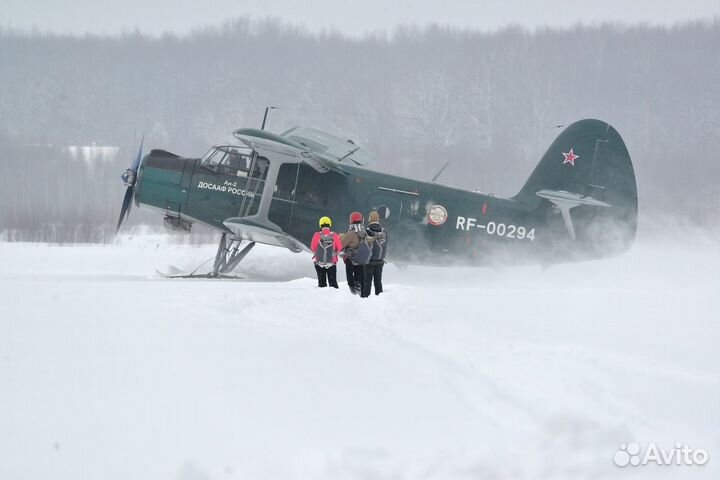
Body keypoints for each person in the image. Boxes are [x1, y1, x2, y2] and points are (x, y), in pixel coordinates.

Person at [361, 210, 388, 297]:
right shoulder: (383, 231)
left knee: (367, 281)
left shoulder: (367, 231)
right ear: (378, 219)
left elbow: (363, 245)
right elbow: (386, 245)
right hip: (380, 260)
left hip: (369, 260)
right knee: (378, 281)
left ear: (370, 218)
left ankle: (365, 297)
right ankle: (379, 297)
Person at [310, 216, 342, 288]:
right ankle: (334, 297)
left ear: (320, 225)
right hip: (331, 262)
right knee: (333, 284)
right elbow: (339, 248)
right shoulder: (334, 235)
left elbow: (313, 248)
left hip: (319, 262)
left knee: (322, 284)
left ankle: (322, 297)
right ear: (329, 224)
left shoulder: (317, 235)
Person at [340, 211, 366, 294]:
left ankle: (352, 288)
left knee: (350, 273)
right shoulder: (365, 232)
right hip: (361, 258)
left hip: (351, 258)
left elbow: (341, 245)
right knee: (359, 273)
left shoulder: (351, 233)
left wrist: (340, 236)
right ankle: (359, 285)